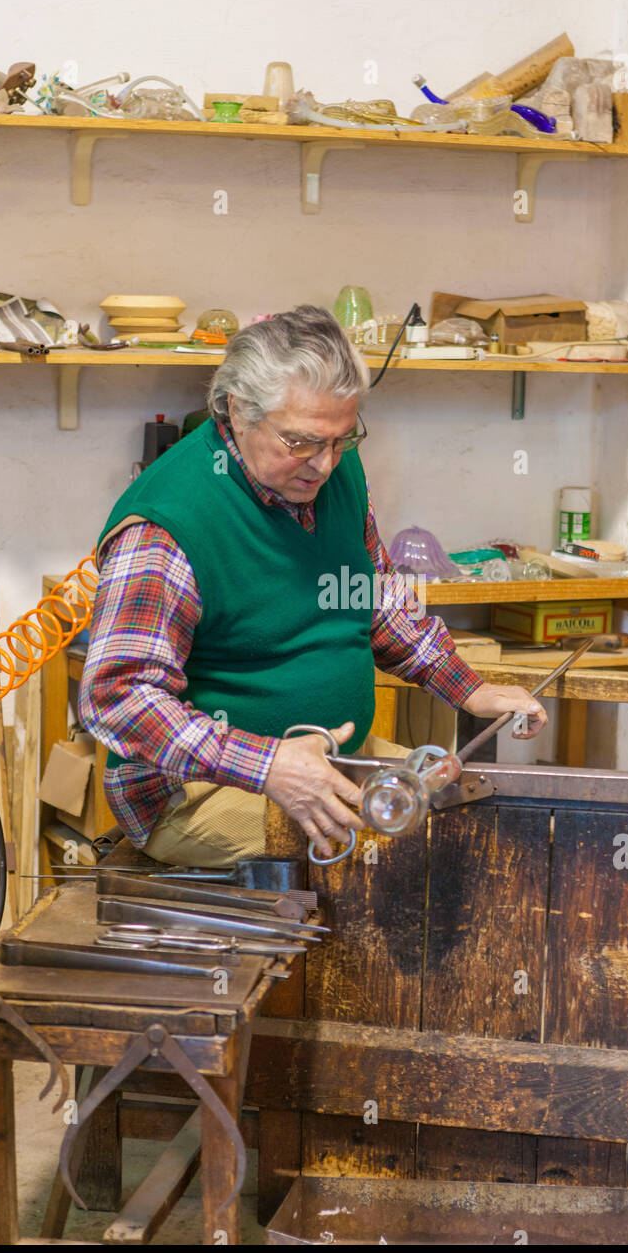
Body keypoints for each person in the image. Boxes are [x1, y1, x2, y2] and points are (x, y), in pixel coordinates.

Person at [79, 305, 547, 865]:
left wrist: (468, 689)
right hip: (196, 793)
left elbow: (374, 601)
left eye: (341, 439)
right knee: (386, 851)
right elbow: (119, 700)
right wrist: (268, 764)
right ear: (236, 410)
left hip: (331, 759)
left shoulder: (334, 469)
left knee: (470, 812)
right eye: (300, 442)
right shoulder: (168, 525)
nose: (323, 465)